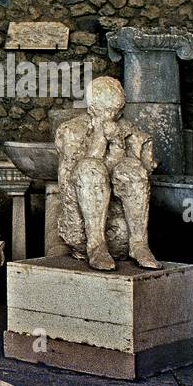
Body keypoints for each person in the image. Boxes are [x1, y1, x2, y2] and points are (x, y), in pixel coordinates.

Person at [55, 76, 160, 272]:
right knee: (90, 169)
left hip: (115, 192)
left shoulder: (129, 130)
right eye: (105, 111)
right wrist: (101, 139)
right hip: (84, 191)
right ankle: (96, 245)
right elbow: (71, 172)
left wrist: (118, 145)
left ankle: (138, 244)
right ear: (92, 109)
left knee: (133, 170)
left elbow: (140, 167)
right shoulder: (71, 130)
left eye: (115, 111)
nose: (110, 116)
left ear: (121, 110)